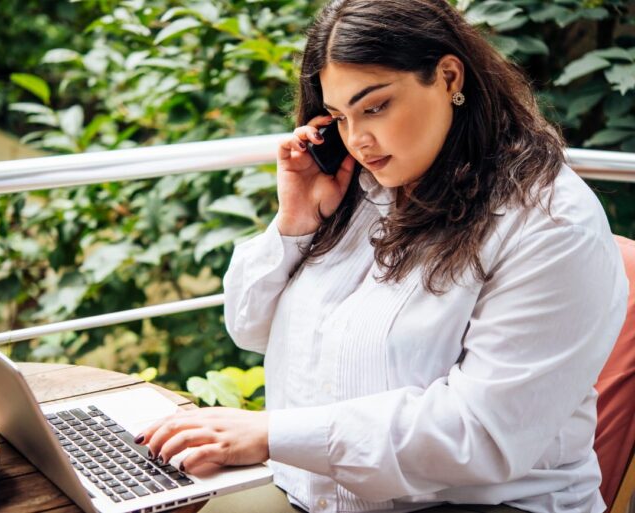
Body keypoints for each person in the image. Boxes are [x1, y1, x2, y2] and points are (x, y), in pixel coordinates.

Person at [135, 0, 629, 511]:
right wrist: (295, 224)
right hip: (313, 491)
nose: (359, 140)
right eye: (341, 117)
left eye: (375, 107)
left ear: (448, 76)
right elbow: (250, 329)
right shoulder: (364, 187)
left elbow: (481, 434)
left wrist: (273, 434)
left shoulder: (550, 222)